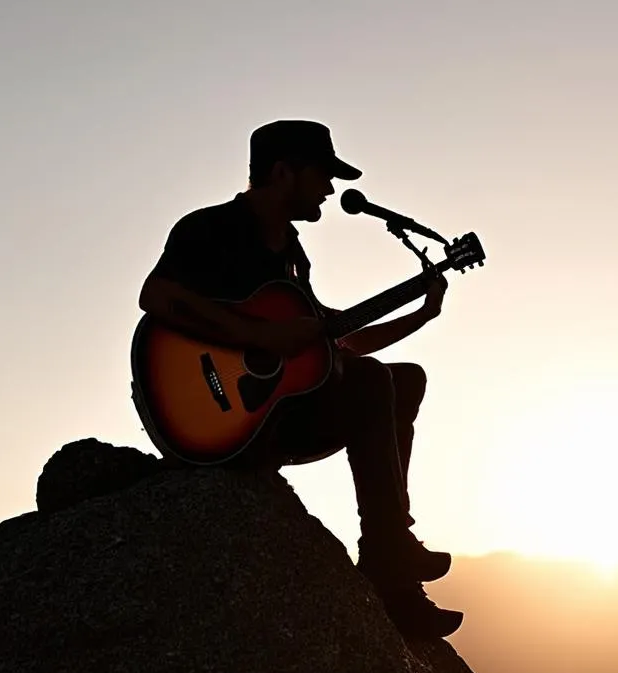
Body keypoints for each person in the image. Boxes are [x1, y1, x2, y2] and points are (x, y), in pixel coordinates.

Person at [138, 120, 463, 639]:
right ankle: (390, 566)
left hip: (274, 414)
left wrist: (420, 314)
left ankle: (393, 559)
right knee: (372, 382)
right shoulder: (208, 229)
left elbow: (335, 345)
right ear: (283, 171)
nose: (330, 190)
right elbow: (156, 297)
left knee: (404, 380)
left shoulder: (292, 255)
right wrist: (256, 336)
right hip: (212, 418)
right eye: (322, 175)